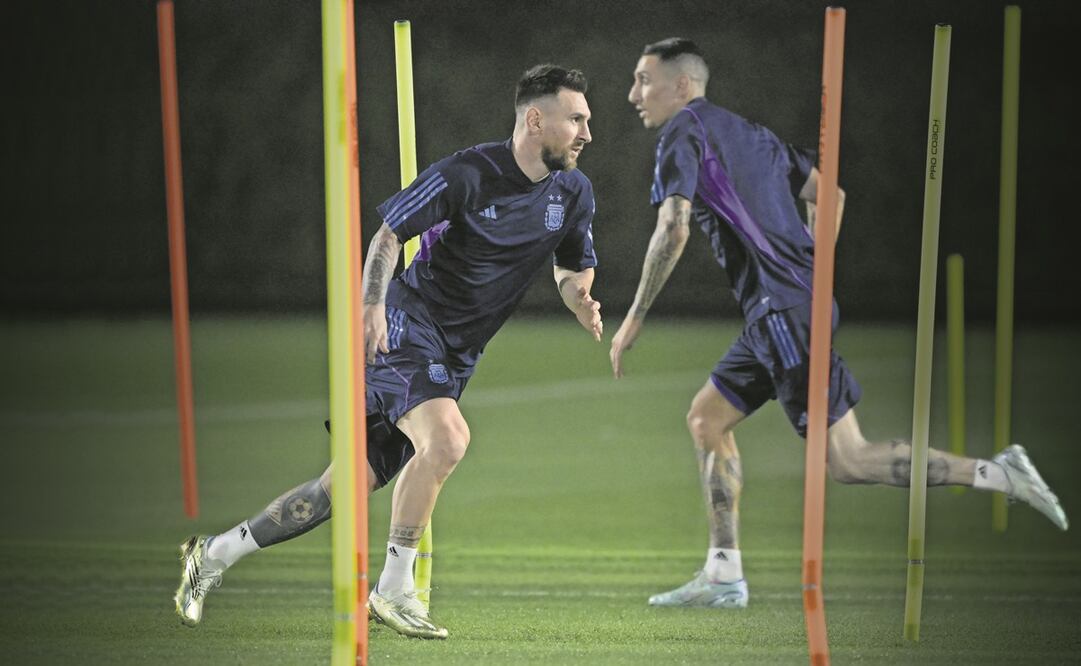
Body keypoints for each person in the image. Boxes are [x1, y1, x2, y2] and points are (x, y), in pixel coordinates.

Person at [609, 38, 1068, 609]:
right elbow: (831, 194)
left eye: (643, 80)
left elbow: (673, 226)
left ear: (682, 86)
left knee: (850, 461)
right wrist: (812, 273)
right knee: (706, 418)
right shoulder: (755, 135)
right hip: (786, 311)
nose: (634, 94)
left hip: (783, 315)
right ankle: (724, 575)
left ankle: (1001, 474)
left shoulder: (684, 131)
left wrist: (633, 318)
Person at [174, 64, 602, 638]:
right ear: (535, 117)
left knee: (342, 489)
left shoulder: (573, 190)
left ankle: (212, 555)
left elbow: (573, 264)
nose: (586, 133)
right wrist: (372, 304)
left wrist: (580, 298)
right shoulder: (466, 172)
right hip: (406, 325)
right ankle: (394, 591)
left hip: (456, 356)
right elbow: (388, 235)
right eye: (576, 118)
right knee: (448, 438)